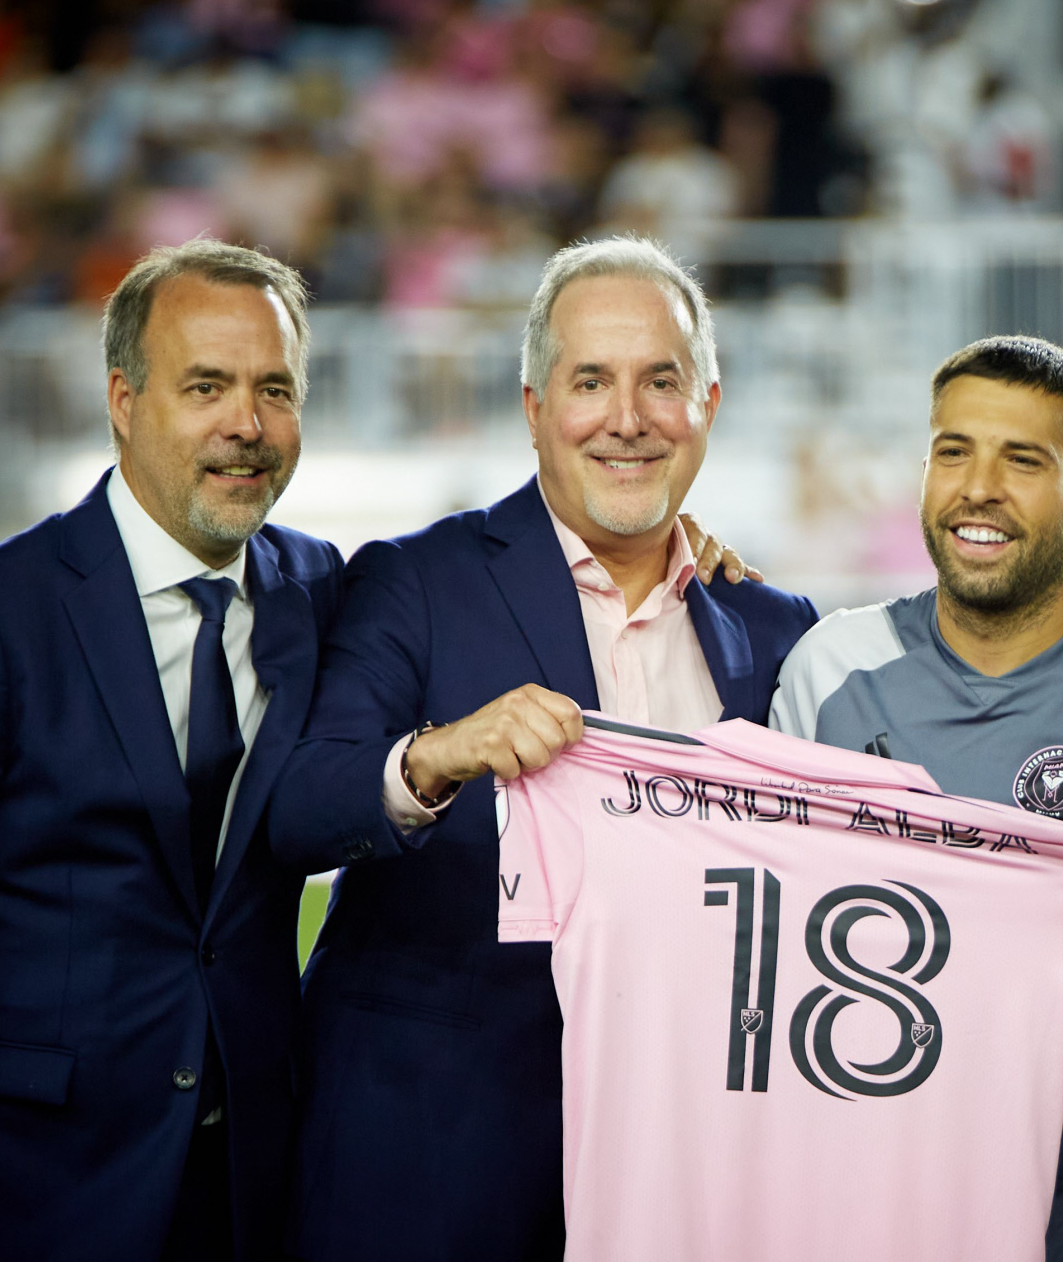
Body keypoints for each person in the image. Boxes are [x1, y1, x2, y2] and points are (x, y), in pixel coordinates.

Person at [269, 235, 819, 1261]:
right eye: (591, 381)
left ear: (708, 402)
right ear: (534, 406)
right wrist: (432, 755)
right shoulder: (415, 581)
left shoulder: (777, 629)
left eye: (662, 380)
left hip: (678, 1181)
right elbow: (297, 803)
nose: (627, 417)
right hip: (431, 1169)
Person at [0, 239, 344, 1262]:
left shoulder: (325, 590)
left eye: (275, 388)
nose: (247, 422)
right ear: (123, 400)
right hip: (12, 1192)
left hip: (241, 1199)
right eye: (207, 385)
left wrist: (677, 553)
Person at [769, 334, 1063, 1260]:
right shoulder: (830, 669)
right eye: (953, 451)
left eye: (1022, 460)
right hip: (859, 1209)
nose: (977, 487)